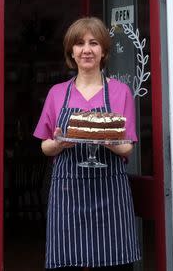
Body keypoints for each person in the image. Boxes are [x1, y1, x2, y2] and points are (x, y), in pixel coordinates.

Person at [33, 16, 141, 270]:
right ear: (72, 51)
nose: (86, 50)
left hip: (110, 194)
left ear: (103, 50)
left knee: (115, 264)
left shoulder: (120, 92)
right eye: (80, 43)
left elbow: (128, 147)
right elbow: (45, 146)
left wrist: (109, 141)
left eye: (94, 43)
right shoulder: (57, 93)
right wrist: (58, 144)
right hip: (68, 194)